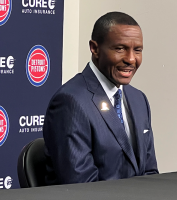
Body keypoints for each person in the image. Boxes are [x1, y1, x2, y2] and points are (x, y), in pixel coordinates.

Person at [43, 11, 158, 185]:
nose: (131, 59)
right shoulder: (70, 102)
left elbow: (150, 174)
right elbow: (81, 186)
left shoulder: (138, 99)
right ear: (95, 48)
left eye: (138, 50)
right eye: (120, 49)